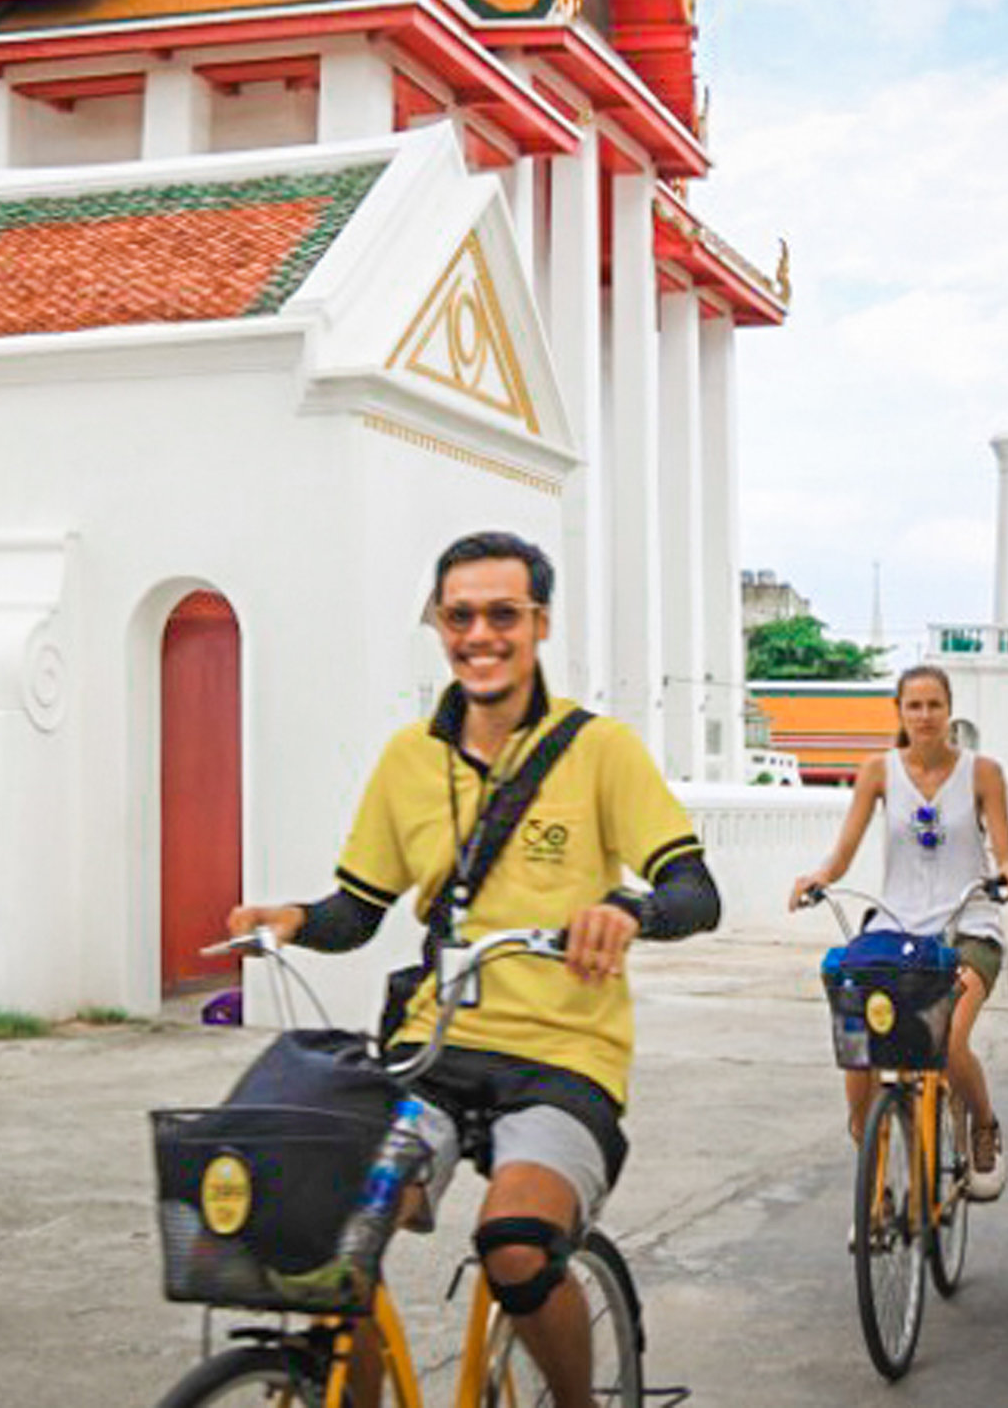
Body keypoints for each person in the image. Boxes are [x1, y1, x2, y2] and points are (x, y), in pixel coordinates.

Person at [227, 531, 719, 1406]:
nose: (480, 634)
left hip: (565, 1060)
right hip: (432, 1051)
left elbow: (695, 889)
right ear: (440, 625)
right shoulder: (408, 759)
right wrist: (294, 918)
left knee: (518, 1243)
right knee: (328, 1235)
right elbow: (359, 909)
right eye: (460, 616)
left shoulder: (598, 749)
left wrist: (628, 908)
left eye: (503, 614)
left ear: (539, 624)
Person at [789, 666, 1008, 1201]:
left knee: (945, 1039)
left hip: (969, 925)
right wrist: (819, 878)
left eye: (934, 705)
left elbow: (1006, 849)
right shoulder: (877, 771)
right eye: (914, 706)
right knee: (857, 1036)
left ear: (950, 710)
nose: (924, 716)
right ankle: (871, 1160)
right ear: (899, 711)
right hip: (897, 926)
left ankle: (984, 1127)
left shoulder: (983, 773)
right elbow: (845, 849)